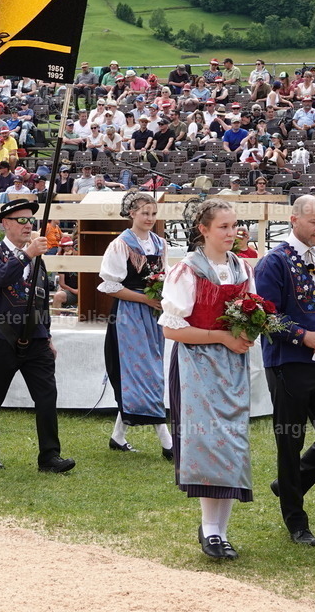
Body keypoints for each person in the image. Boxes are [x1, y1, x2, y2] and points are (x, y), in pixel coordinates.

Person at [160, 199, 256, 560]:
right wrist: (221, 337)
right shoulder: (188, 270)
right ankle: (210, 529)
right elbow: (172, 329)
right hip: (196, 367)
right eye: (224, 227)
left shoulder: (241, 268)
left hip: (232, 366)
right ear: (203, 229)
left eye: (234, 226)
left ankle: (221, 531)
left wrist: (248, 332)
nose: (232, 233)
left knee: (232, 442)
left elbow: (250, 310)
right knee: (207, 444)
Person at [254, 195, 315, 547]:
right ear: (294, 220)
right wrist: (301, 335)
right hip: (287, 363)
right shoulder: (274, 262)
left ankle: (288, 484)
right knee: (290, 441)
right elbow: (265, 315)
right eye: (313, 222)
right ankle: (296, 520)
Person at [0, 199, 75, 474]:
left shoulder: (39, 259)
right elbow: (0, 278)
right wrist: (27, 254)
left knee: (46, 397)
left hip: (36, 339)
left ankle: (50, 456)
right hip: (0, 336)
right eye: (21, 220)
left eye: (30, 220)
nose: (27, 225)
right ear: (5, 224)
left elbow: (42, 301)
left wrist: (48, 336)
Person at [97, 193, 172, 459]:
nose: (150, 218)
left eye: (153, 214)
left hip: (152, 315)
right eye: (145, 213)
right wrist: (146, 299)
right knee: (142, 372)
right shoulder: (120, 244)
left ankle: (118, 437)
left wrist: (161, 299)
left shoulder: (160, 244)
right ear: (132, 213)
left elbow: (165, 277)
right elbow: (110, 286)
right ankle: (168, 443)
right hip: (128, 314)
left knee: (149, 370)